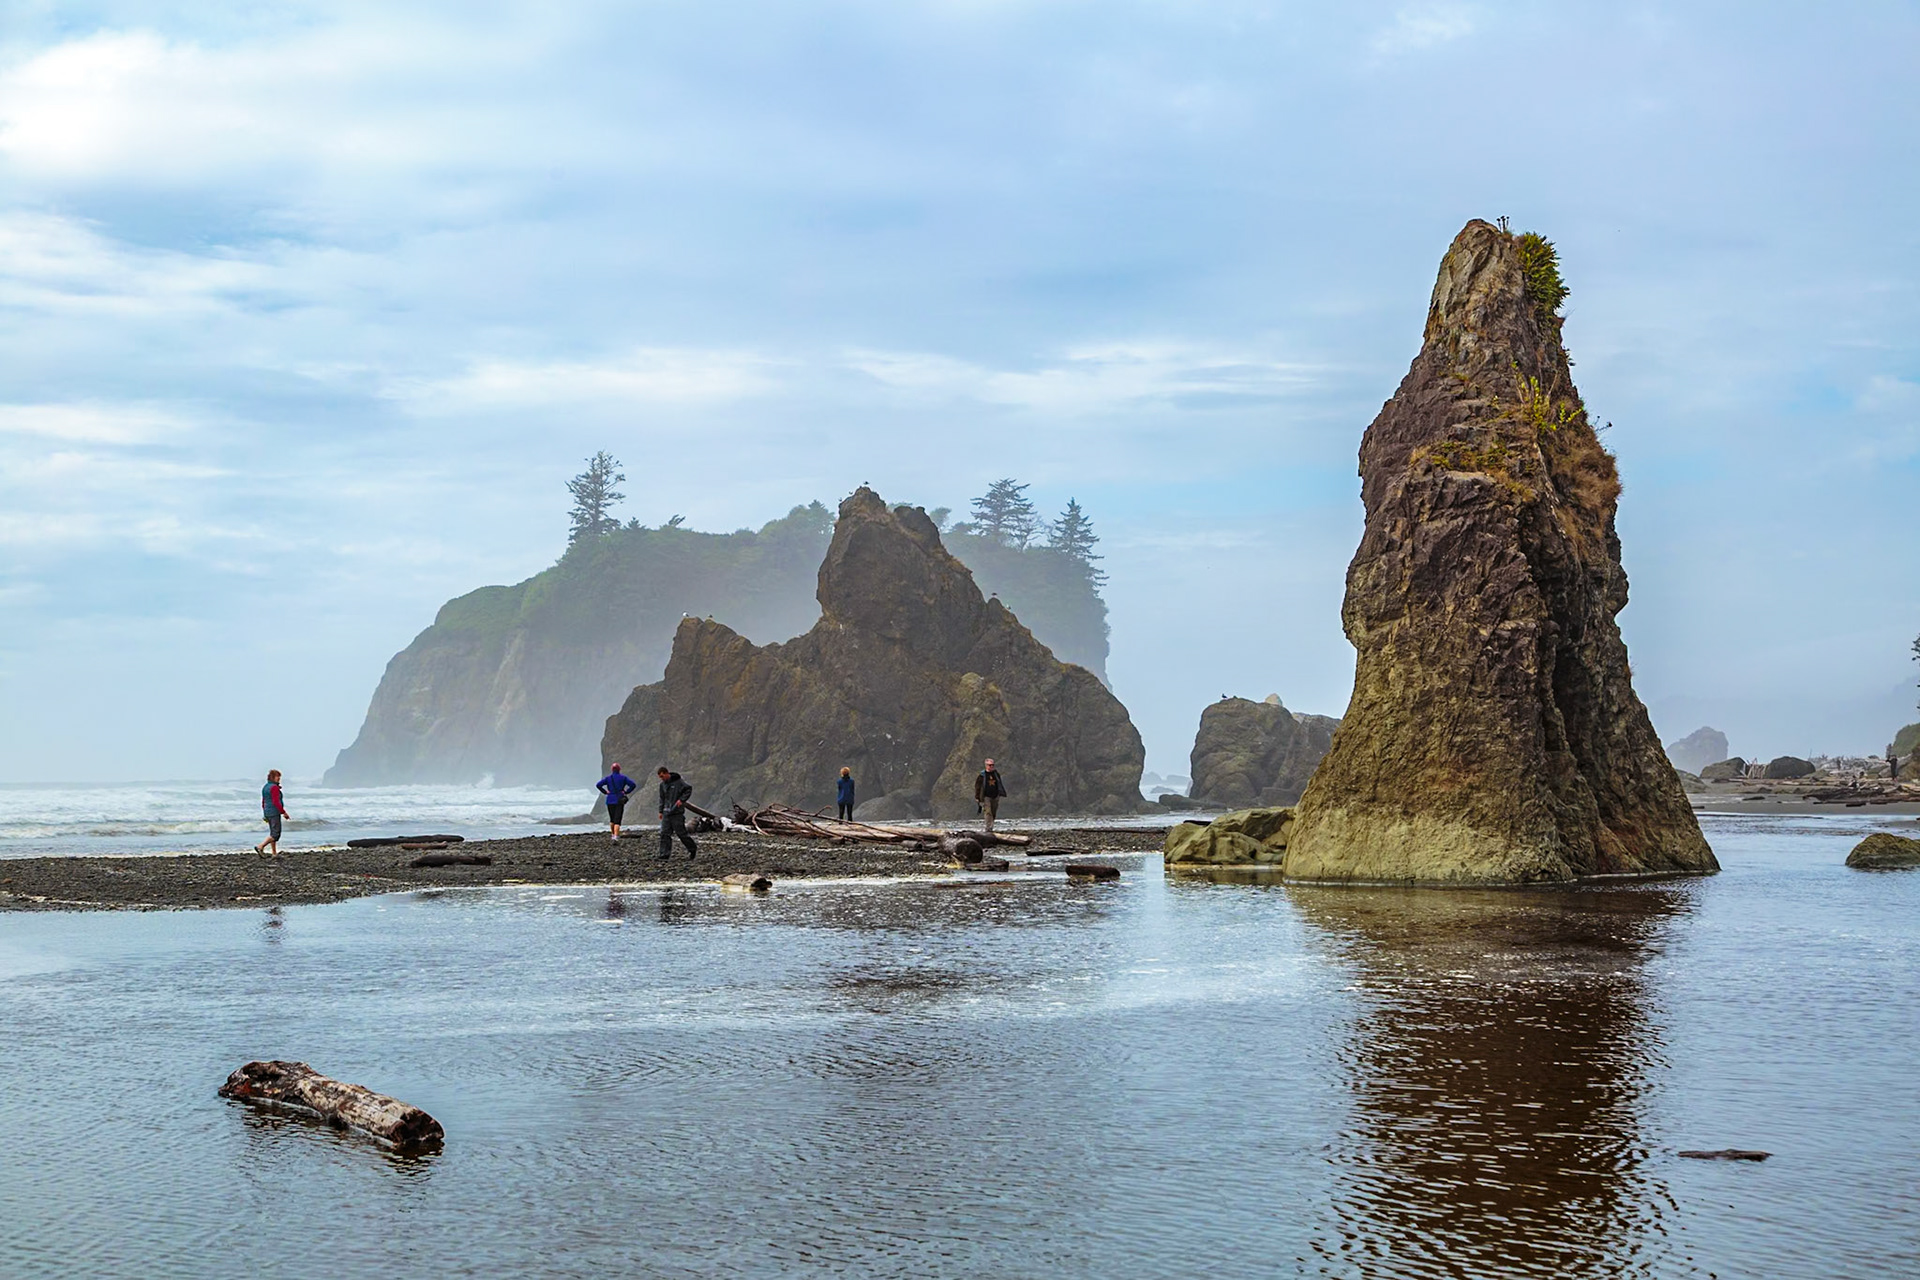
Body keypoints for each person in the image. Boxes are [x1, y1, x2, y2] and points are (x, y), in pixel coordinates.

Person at [656, 765, 698, 860]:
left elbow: (688, 789)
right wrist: (660, 811)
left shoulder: (678, 782)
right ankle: (664, 854)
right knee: (664, 833)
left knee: (681, 833)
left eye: (662, 776)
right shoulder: (662, 785)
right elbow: (662, 798)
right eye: (660, 777)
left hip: (677, 812)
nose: (661, 779)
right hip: (666, 811)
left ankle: (692, 849)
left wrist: (681, 800)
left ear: (667, 773)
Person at [597, 763, 638, 842]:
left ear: (612, 770)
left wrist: (605, 792)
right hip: (619, 800)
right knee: (617, 820)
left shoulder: (608, 778)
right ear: (619, 769)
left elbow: (598, 785)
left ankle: (613, 835)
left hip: (610, 800)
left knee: (612, 819)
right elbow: (633, 785)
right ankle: (616, 837)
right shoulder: (623, 778)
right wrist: (626, 791)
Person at [254, 769, 288, 856]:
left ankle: (274, 852)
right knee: (276, 834)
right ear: (272, 777)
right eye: (277, 777)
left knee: (272, 832)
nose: (279, 779)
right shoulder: (274, 788)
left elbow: (263, 801)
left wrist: (264, 812)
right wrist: (283, 812)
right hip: (274, 812)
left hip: (267, 811)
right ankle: (261, 846)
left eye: (279, 777)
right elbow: (276, 801)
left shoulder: (265, 787)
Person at [974, 758, 1007, 832]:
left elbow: (999, 784)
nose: (991, 766)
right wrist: (977, 797)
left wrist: (1000, 793)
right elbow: (977, 787)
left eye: (992, 765)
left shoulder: (996, 774)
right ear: (986, 765)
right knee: (988, 812)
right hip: (986, 796)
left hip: (995, 796)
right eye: (990, 765)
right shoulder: (982, 776)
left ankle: (991, 826)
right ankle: (988, 828)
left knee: (993, 811)